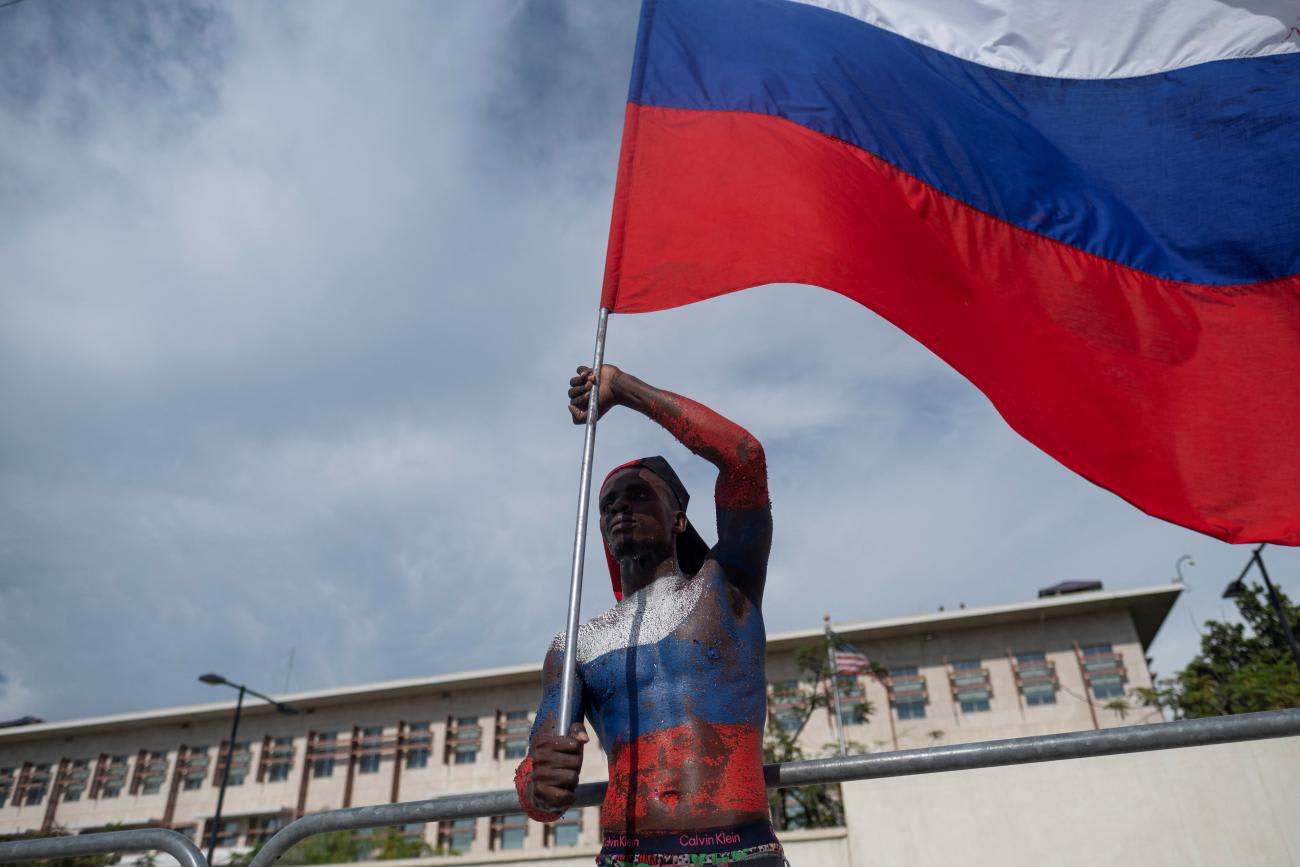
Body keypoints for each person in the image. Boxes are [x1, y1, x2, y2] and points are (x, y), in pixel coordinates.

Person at [513, 364, 782, 866]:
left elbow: (744, 456)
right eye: (608, 503)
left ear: (678, 517)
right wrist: (539, 783)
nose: (620, 508)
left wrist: (624, 389)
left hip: (738, 851)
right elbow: (539, 788)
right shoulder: (576, 643)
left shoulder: (726, 587)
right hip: (627, 857)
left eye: (639, 495)